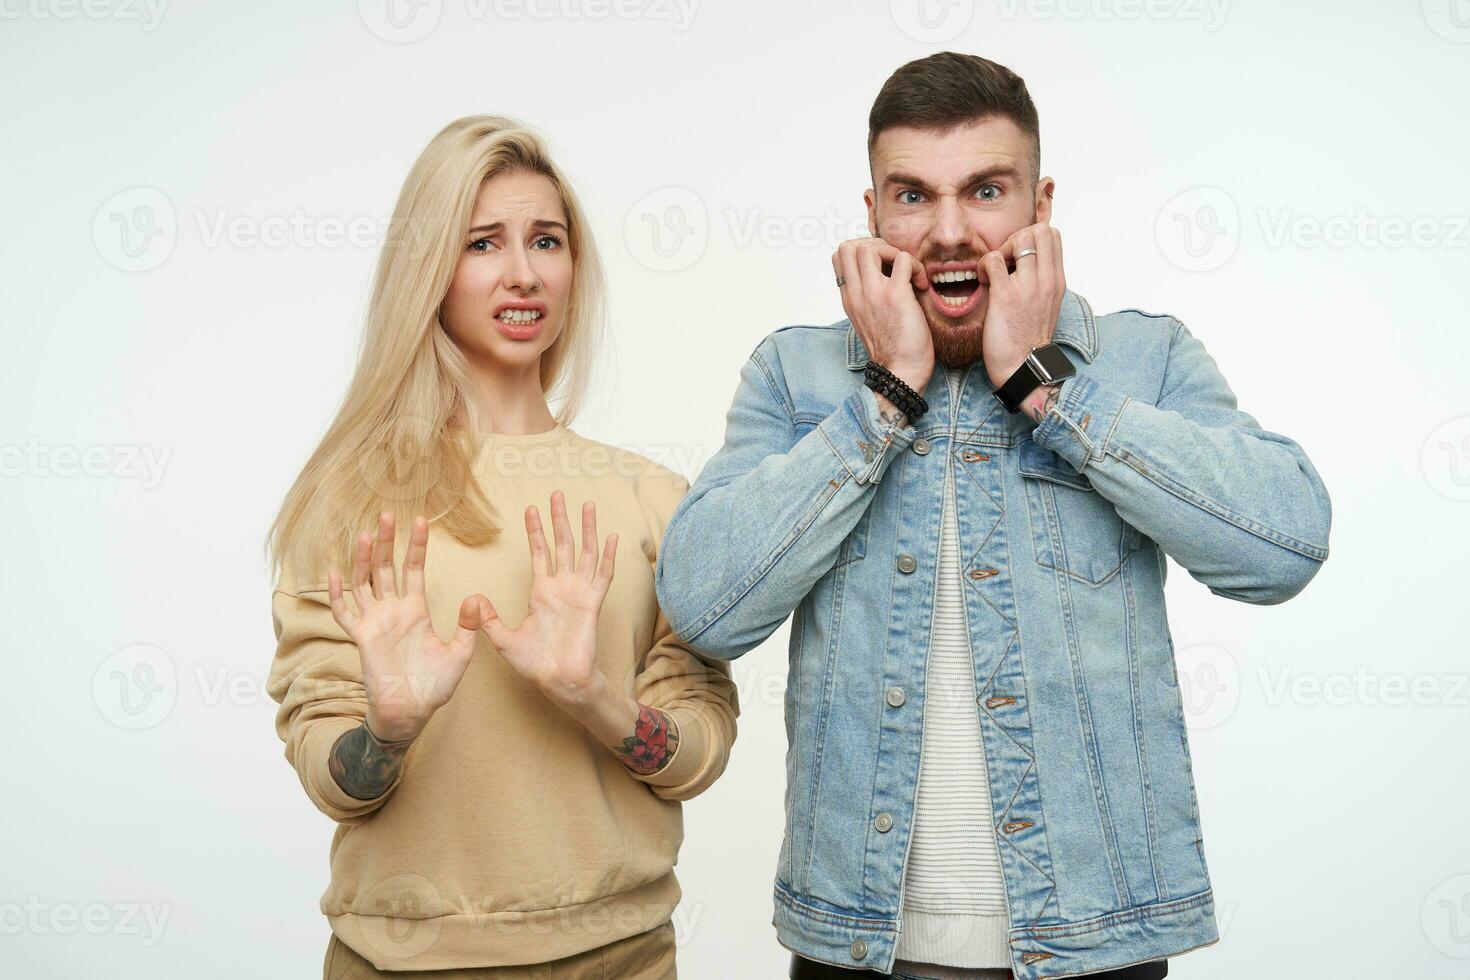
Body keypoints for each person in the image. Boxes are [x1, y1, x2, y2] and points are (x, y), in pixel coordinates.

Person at [655, 52, 1331, 979]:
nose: (948, 231)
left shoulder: (1143, 358)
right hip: (858, 946)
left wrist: (1047, 391)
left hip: (1096, 944)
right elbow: (702, 607)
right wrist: (884, 396)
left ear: (1040, 206)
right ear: (872, 215)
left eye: (985, 190)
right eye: (912, 196)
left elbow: (1284, 544)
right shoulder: (795, 376)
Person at [264, 115, 738, 979]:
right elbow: (330, 772)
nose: (523, 273)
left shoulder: (654, 499)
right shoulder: (350, 500)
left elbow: (699, 751)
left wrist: (596, 698)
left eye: (546, 241)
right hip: (400, 962)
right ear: (429, 271)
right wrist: (390, 728)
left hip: (619, 959)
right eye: (483, 243)